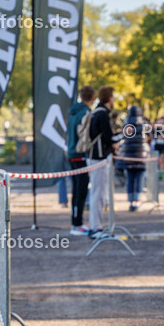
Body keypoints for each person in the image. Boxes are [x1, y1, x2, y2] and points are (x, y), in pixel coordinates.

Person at [86, 86, 117, 239]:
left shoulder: (96, 113)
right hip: (98, 158)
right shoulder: (102, 114)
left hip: (95, 157)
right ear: (109, 98)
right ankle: (95, 228)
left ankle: (96, 226)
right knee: (98, 194)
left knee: (97, 193)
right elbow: (109, 138)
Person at [66, 85, 95, 236]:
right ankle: (77, 224)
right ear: (92, 97)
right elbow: (85, 135)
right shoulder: (85, 113)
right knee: (81, 190)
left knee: (76, 189)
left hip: (71, 152)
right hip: (80, 153)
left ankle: (76, 222)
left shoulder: (72, 112)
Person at [120, 105, 150, 211]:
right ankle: (137, 200)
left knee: (130, 178)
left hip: (128, 156)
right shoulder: (144, 125)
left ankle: (130, 200)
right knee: (140, 178)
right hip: (141, 156)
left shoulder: (126, 126)